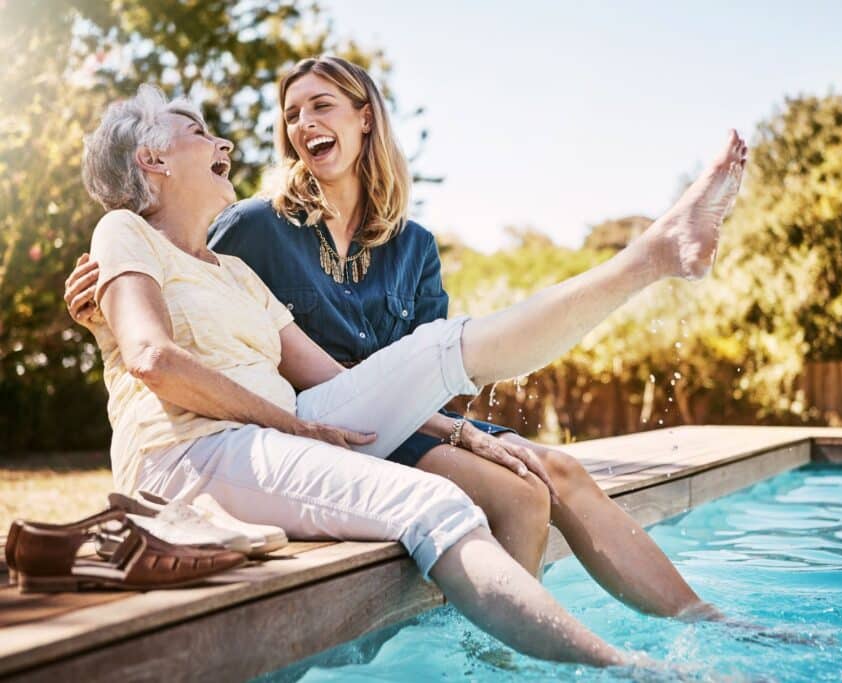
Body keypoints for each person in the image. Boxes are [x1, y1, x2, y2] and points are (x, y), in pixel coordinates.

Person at [65, 56, 749, 619]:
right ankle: (493, 649)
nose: (303, 123)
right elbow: (170, 265)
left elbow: (427, 376)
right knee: (520, 492)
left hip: (410, 418)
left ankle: (704, 620)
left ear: (365, 118)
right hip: (334, 429)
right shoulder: (252, 226)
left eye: (321, 105)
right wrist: (103, 304)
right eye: (292, 113)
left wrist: (460, 431)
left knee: (558, 469)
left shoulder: (413, 244)